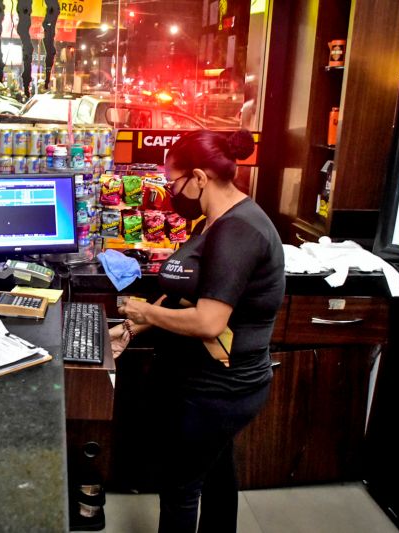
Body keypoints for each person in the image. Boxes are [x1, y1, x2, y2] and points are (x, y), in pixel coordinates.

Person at [111, 129, 285, 532]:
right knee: (215, 473)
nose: (171, 192)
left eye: (173, 182)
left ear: (200, 178)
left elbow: (209, 320)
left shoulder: (238, 232)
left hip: (219, 388)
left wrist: (144, 313)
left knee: (181, 489)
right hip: (203, 382)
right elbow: (182, 295)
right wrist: (133, 328)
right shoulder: (216, 221)